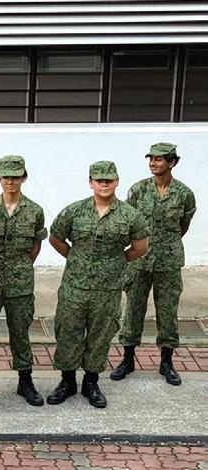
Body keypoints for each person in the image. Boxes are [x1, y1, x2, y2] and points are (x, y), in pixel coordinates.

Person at [48, 161, 148, 409]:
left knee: (100, 335)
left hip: (108, 289)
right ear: (91, 183)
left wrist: (115, 262)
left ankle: (91, 382)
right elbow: (56, 238)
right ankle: (67, 381)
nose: (104, 184)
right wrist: (75, 258)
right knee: (68, 332)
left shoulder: (130, 215)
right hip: (75, 286)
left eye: (109, 180)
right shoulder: (74, 211)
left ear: (117, 182)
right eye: (99, 180)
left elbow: (140, 247)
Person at [111, 143, 197, 386]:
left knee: (168, 311)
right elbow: (127, 222)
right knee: (133, 309)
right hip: (139, 261)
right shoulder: (138, 190)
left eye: (159, 159)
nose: (152, 163)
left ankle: (166, 362)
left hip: (168, 261)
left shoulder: (184, 193)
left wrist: (164, 243)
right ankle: (127, 359)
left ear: (172, 163)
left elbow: (183, 225)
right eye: (151, 159)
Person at [0, 155, 47, 407]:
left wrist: (22, 266)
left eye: (16, 177)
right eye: (6, 176)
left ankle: (25, 381)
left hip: (20, 284)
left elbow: (36, 244)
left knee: (20, 333)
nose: (11, 181)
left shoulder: (34, 211)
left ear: (23, 178)